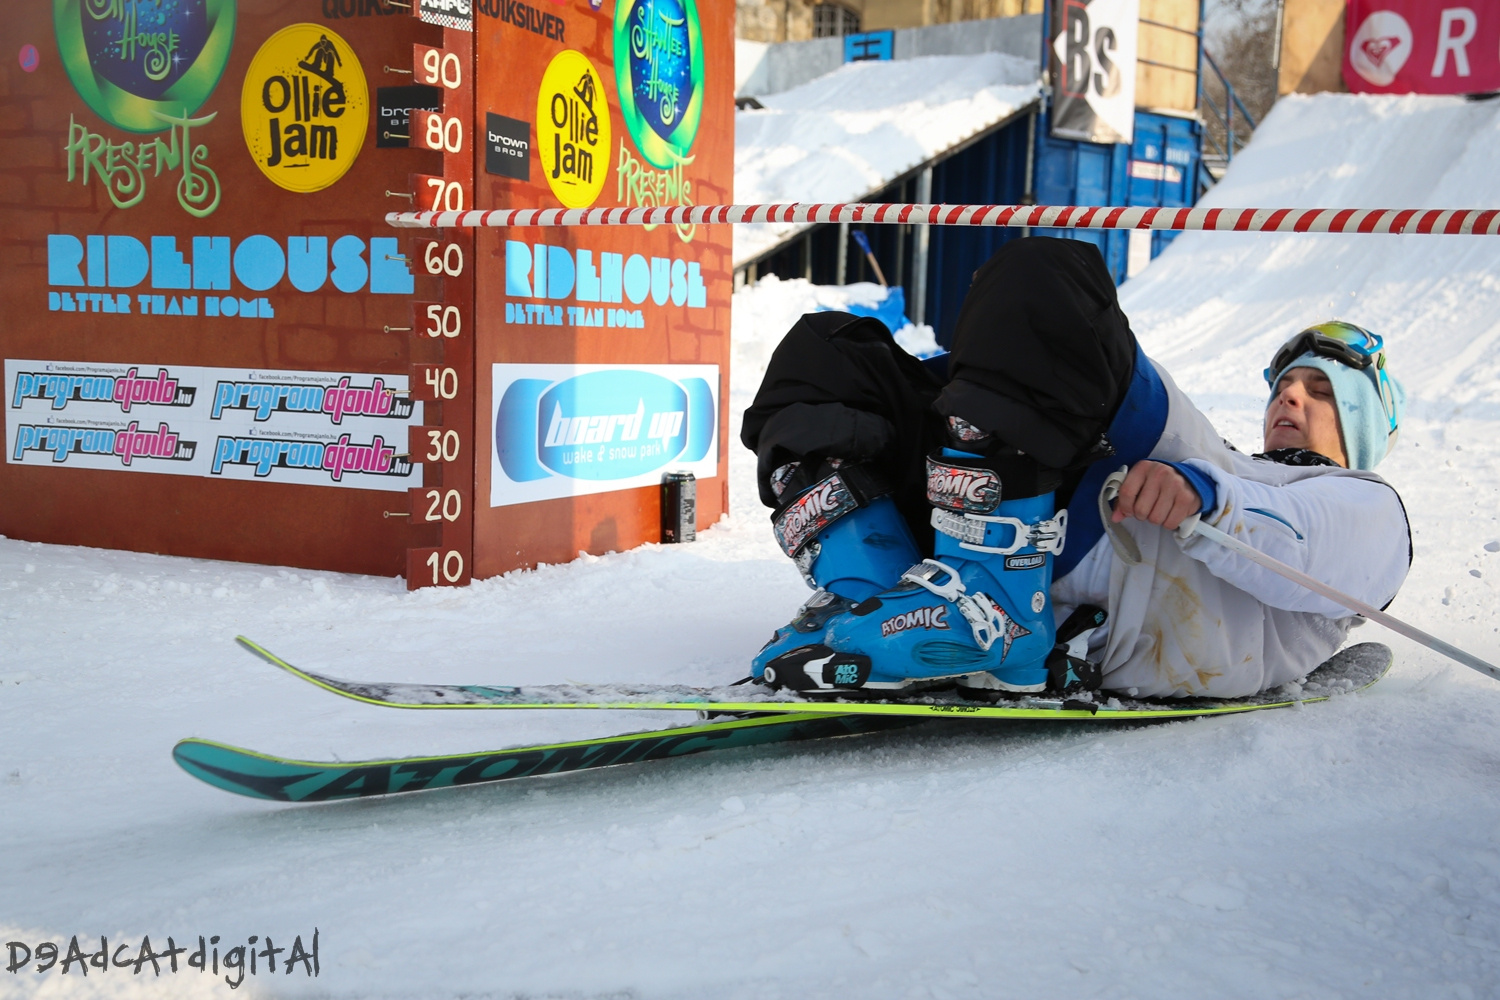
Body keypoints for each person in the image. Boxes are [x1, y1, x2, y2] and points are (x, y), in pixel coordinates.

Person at [742, 237, 1410, 699]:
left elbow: (1310, 538)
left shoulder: (1366, 506)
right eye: (1286, 385)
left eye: (1321, 392)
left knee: (1045, 280)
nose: (1291, 396)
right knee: (828, 357)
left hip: (1110, 558)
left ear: (1366, 423)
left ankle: (990, 612)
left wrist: (1205, 494)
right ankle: (876, 598)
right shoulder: (1233, 466)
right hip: (992, 523)